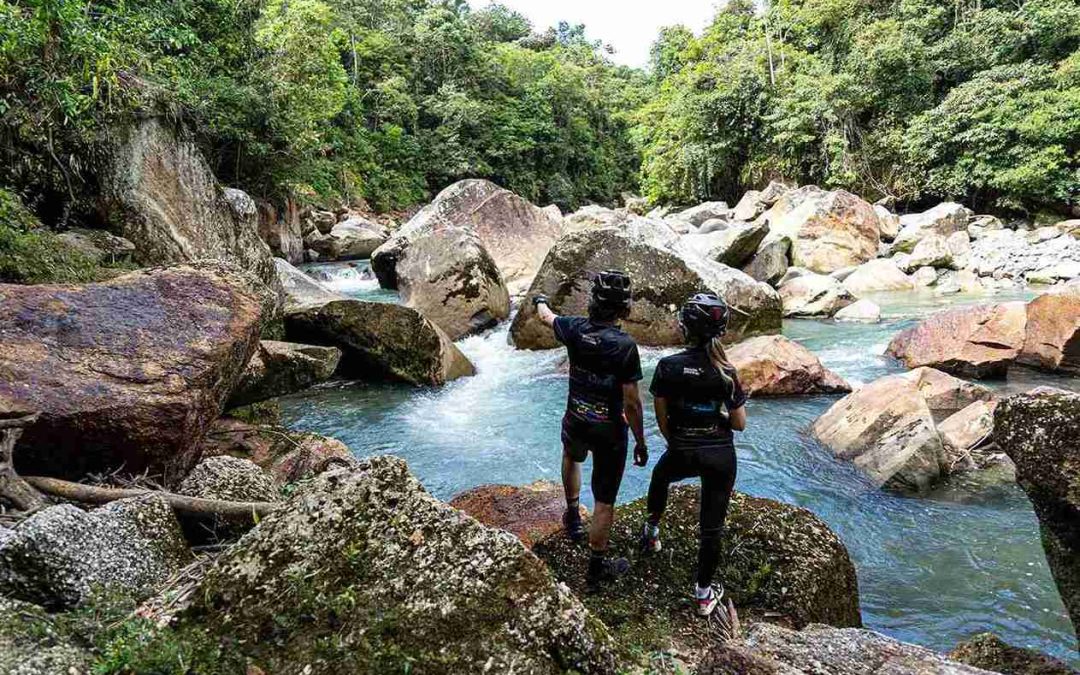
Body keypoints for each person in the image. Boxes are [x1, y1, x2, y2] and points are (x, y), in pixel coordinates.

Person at [532, 270, 648, 592]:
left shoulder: (573, 329)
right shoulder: (625, 346)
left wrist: (540, 298)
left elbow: (545, 316)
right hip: (609, 430)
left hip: (576, 416)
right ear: (624, 309)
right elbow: (632, 403)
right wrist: (640, 440)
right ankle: (597, 568)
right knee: (604, 500)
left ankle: (571, 515)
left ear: (592, 302)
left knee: (572, 456)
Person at [640, 293, 747, 617]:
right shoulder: (727, 371)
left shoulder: (668, 367)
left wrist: (680, 440)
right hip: (720, 455)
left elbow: (661, 418)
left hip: (682, 449)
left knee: (661, 477)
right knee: (710, 528)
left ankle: (652, 533)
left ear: (685, 329)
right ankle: (703, 596)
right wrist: (715, 419)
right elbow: (740, 424)